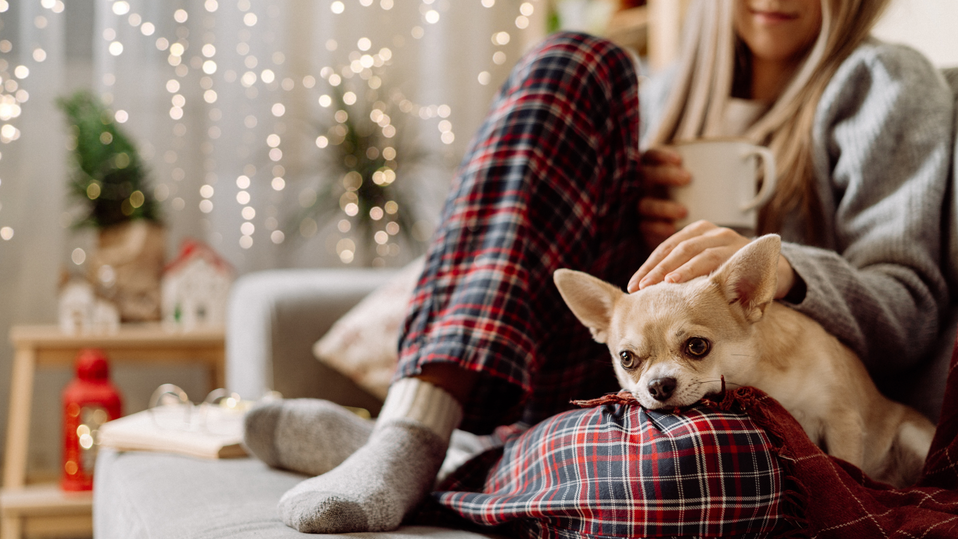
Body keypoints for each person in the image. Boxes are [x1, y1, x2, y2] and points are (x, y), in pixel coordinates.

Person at [243, 0, 954, 535]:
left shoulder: (883, 82)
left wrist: (783, 269)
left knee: (708, 464)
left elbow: (911, 308)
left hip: (756, 402)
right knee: (577, 60)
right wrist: (625, 209)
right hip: (617, 368)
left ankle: (448, 456)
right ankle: (413, 426)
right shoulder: (660, 92)